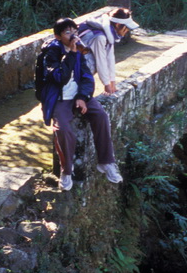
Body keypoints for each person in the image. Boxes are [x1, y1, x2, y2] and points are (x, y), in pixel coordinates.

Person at [38, 18, 124, 191]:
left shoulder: (79, 52)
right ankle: (66, 171)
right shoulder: (51, 53)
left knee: (100, 115)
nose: (73, 36)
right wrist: (71, 54)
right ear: (57, 36)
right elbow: (59, 78)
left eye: (75, 32)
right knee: (63, 130)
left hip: (77, 95)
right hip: (59, 98)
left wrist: (82, 97)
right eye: (68, 33)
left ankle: (106, 163)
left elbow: (86, 77)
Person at [76, 8, 140, 94]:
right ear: (117, 25)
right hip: (76, 67)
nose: (127, 31)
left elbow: (110, 57)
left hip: (82, 63)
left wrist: (112, 82)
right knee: (96, 62)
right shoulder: (100, 37)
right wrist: (106, 84)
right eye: (126, 27)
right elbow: (101, 61)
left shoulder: (108, 31)